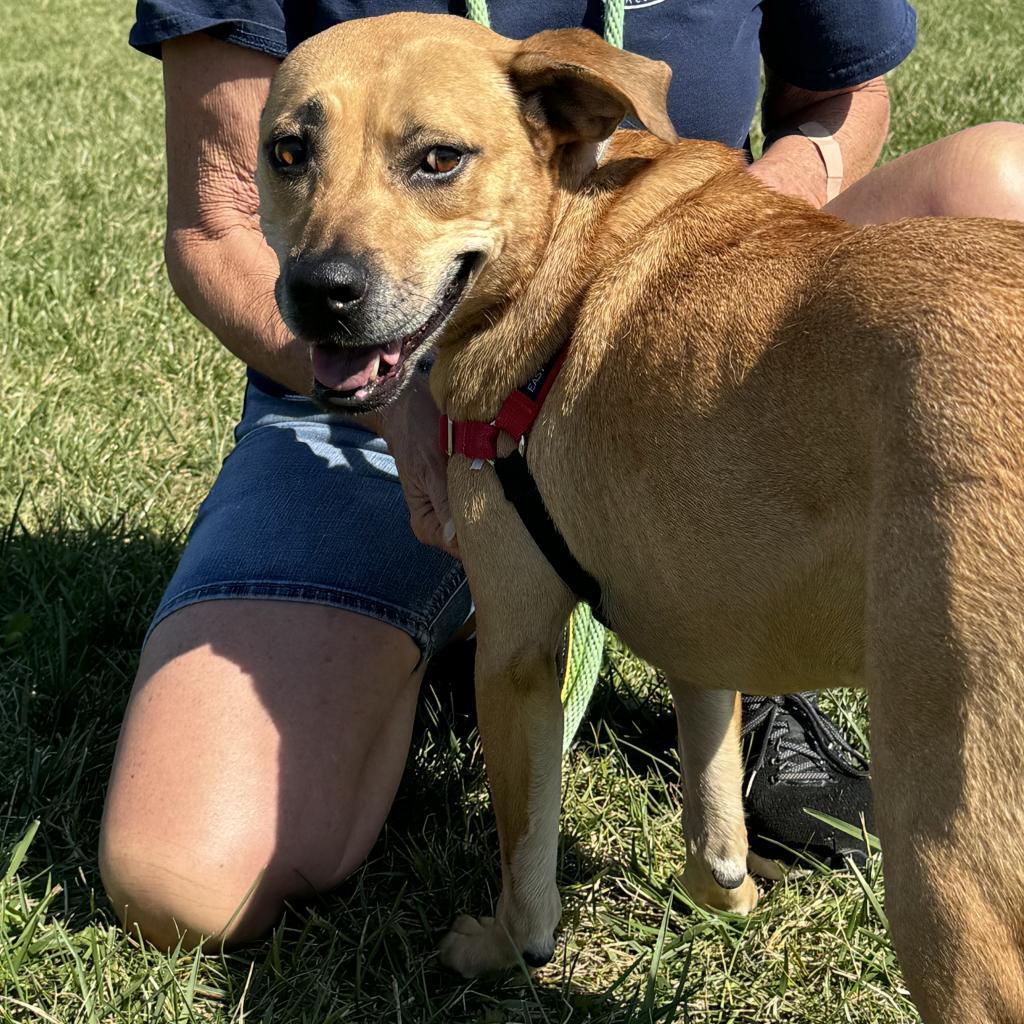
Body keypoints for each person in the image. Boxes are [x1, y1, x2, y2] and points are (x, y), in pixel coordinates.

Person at [99, 0, 1024, 950]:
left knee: (1003, 178)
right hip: (349, 394)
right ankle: (473, 621)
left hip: (713, 282)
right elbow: (215, 222)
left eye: (434, 161)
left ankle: (768, 627)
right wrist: (397, 404)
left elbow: (844, 93)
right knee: (183, 879)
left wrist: (743, 226)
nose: (334, 248)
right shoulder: (344, 282)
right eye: (296, 158)